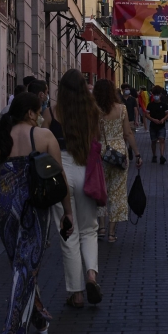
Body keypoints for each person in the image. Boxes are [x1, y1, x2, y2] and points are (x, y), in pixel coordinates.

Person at [0, 92, 74, 334]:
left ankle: (38, 318)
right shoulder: (44, 136)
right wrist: (68, 212)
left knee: (20, 265)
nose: (43, 114)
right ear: (30, 113)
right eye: (40, 110)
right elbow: (59, 176)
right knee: (25, 268)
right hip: (32, 205)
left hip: (2, 206)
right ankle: (11, 332)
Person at [49, 69, 103, 308]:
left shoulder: (52, 112)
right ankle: (91, 274)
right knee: (90, 230)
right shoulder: (92, 112)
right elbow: (96, 142)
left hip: (60, 172)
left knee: (68, 232)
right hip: (85, 172)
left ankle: (76, 293)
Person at [94, 80, 142, 243]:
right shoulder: (121, 109)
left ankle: (101, 227)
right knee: (117, 191)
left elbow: (93, 135)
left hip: (100, 153)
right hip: (119, 153)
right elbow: (128, 134)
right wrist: (137, 154)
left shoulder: (94, 111)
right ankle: (112, 232)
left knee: (100, 190)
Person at [143, 85, 168, 164]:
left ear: (160, 95)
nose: (156, 96)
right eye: (155, 95)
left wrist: (163, 119)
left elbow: (167, 114)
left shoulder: (164, 105)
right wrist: (153, 119)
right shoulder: (150, 105)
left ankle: (162, 156)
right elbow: (146, 114)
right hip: (153, 126)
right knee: (153, 141)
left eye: (157, 95)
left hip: (161, 125)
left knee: (162, 140)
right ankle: (154, 155)